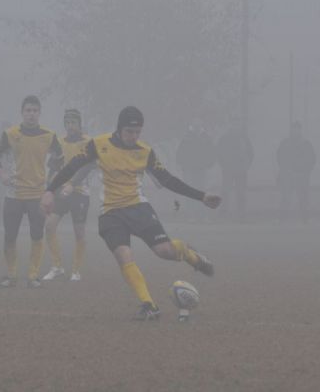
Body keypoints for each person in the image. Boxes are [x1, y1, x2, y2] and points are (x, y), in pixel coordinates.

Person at [41, 106, 221, 320]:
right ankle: (149, 305)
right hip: (110, 212)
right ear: (119, 129)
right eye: (130, 132)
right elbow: (71, 167)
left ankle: (191, 255)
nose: (134, 137)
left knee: (164, 252)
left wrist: (201, 196)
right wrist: (50, 190)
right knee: (123, 254)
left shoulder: (145, 151)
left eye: (138, 132)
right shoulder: (98, 145)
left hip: (138, 207)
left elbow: (168, 180)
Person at [0, 95, 63, 288]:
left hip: (37, 195)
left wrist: (51, 180)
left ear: (39, 113)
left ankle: (33, 275)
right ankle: (12, 275)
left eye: (35, 111)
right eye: (28, 110)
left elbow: (60, 158)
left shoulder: (49, 135)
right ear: (22, 113)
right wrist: (2, 173)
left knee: (37, 235)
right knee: (10, 235)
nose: (31, 114)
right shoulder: (10, 134)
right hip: (14, 194)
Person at [43, 109, 94, 281]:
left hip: (80, 193)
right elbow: (54, 166)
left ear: (79, 124)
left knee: (79, 233)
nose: (70, 126)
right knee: (49, 226)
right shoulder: (60, 142)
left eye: (73, 122)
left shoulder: (88, 142)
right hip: (61, 192)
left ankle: (76, 270)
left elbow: (87, 167)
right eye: (68, 122)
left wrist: (73, 184)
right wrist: (48, 189)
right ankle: (57, 266)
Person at [276, 121, 316, 223]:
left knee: (303, 198)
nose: (295, 131)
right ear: (291, 130)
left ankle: (304, 219)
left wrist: (306, 172)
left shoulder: (306, 144)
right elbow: (279, 157)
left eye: (297, 129)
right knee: (286, 198)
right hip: (288, 176)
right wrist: (284, 170)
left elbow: (312, 159)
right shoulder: (285, 143)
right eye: (293, 129)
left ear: (300, 130)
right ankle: (282, 219)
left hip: (301, 176)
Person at [175, 125, 217, 220]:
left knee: (201, 192)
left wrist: (209, 164)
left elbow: (212, 152)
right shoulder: (187, 138)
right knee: (190, 192)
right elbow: (180, 153)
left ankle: (201, 215)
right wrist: (182, 165)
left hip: (201, 170)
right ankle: (191, 214)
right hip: (189, 170)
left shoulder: (206, 138)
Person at [216, 126, 254, 221]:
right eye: (234, 123)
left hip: (241, 170)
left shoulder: (244, 138)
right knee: (225, 192)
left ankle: (241, 214)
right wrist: (223, 165)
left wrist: (247, 165)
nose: (236, 126)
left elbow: (250, 153)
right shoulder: (224, 139)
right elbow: (219, 152)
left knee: (241, 193)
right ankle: (223, 213)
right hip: (228, 170)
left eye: (237, 124)